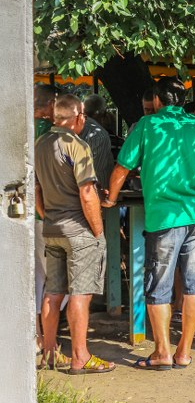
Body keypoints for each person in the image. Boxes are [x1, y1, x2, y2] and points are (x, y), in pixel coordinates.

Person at [104, 77, 195, 370]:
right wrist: (194, 192)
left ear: (156, 100)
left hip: (164, 217)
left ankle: (162, 352)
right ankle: (184, 352)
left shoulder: (148, 125)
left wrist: (110, 199)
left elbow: (121, 168)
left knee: (159, 286)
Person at [34, 94, 115, 374]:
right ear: (79, 116)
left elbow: (36, 190)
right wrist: (98, 230)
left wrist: (48, 216)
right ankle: (80, 356)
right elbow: (87, 192)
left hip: (53, 227)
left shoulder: (41, 143)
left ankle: (49, 352)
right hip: (78, 229)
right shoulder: (76, 144)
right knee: (81, 294)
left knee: (53, 292)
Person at [33, 84, 59, 354]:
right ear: (50, 104)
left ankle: (36, 335)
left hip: (28, 212)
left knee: (36, 277)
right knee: (53, 279)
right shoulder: (47, 133)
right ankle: (46, 339)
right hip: (45, 214)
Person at [80, 94, 115, 191]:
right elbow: (95, 170)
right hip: (94, 193)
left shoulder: (74, 127)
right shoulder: (99, 135)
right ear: (100, 114)